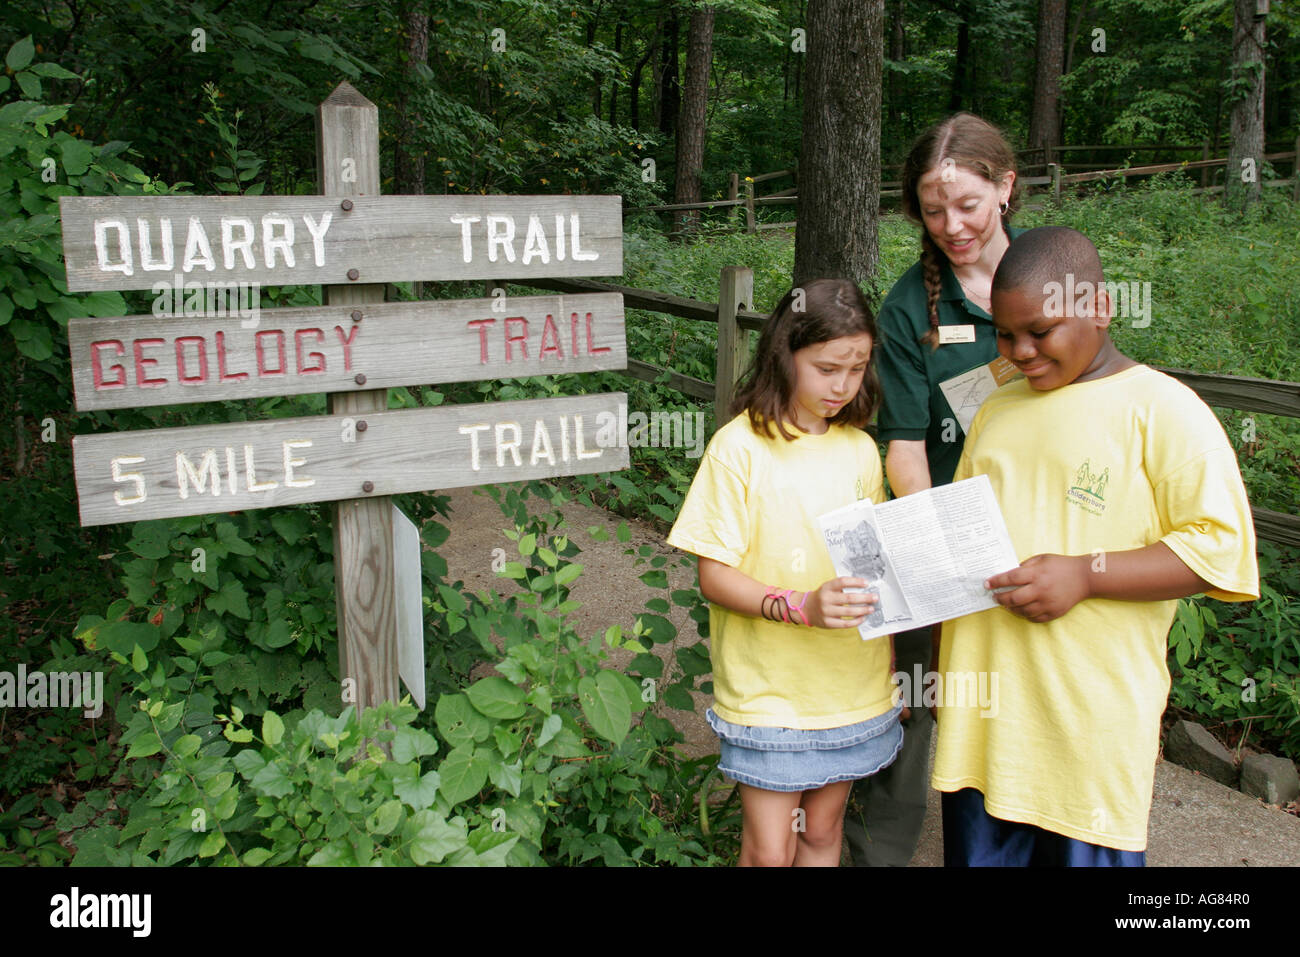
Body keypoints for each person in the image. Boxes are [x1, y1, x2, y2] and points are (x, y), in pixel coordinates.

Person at [932, 226, 1260, 865]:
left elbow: (1218, 547)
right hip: (986, 733)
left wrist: (1087, 573)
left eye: (1041, 330)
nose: (1020, 351)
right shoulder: (996, 410)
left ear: (1101, 309)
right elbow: (963, 529)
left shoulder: (1164, 410)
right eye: (1004, 334)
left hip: (1087, 734)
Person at [667, 278, 904, 867]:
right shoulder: (738, 448)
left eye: (857, 368)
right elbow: (714, 576)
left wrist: (892, 671)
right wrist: (802, 606)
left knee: (822, 836)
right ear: (784, 353)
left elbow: (869, 571)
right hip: (769, 692)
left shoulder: (857, 449)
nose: (843, 386)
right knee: (770, 851)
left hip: (852, 685)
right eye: (826, 368)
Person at [845, 112, 1022, 867]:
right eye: (932, 208)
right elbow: (906, 447)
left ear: (1005, 188)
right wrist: (939, 554)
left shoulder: (1053, 276)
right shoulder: (909, 307)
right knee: (912, 708)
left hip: (1038, 541)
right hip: (941, 539)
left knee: (1017, 711)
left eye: (969, 205)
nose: (952, 225)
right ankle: (873, 856)